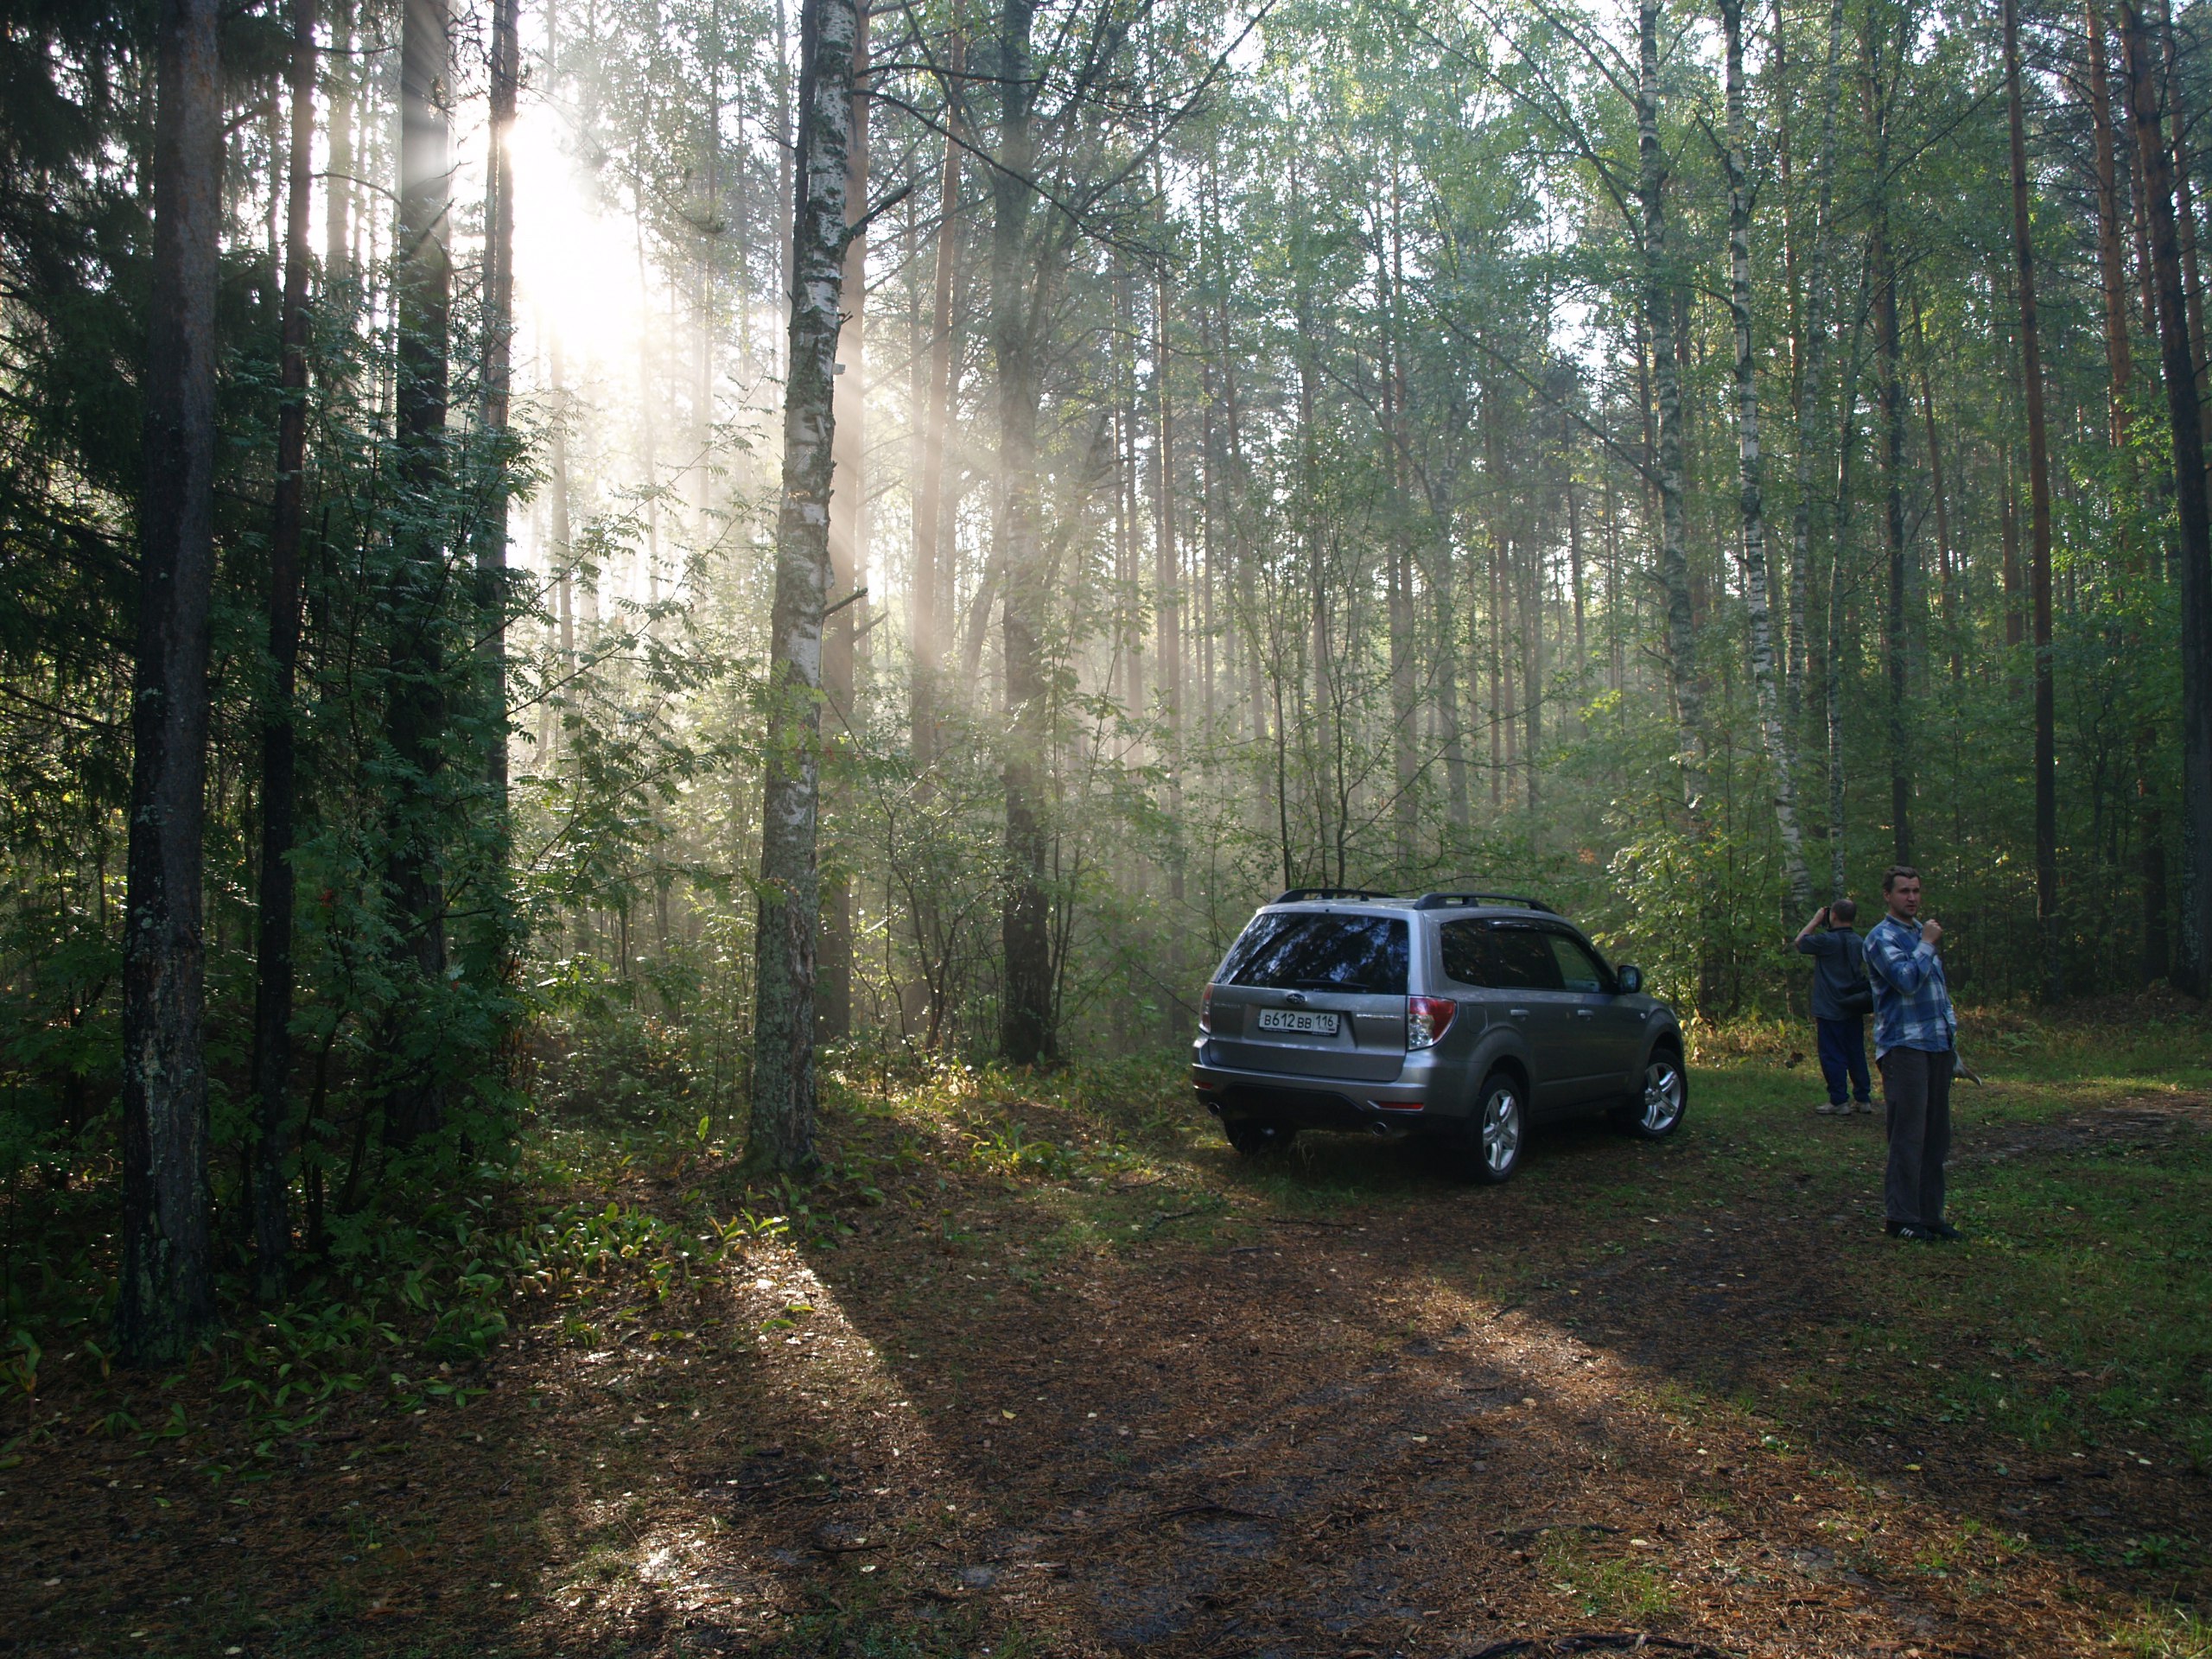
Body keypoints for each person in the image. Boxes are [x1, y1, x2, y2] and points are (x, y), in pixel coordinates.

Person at [1865, 865, 1959, 1243]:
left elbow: (1938, 994)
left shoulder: (1923, 933)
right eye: (1904, 891)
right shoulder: (1880, 937)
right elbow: (1905, 981)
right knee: (1908, 1135)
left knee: (1936, 1137)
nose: (1912, 897)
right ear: (1888, 895)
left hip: (1936, 1046)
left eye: (1916, 890)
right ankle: (1901, 1217)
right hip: (1904, 1047)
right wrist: (1927, 945)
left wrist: (1952, 1046)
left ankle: (1930, 1216)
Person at [1794, 898, 1873, 1115]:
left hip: (1830, 1008)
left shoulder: (1826, 941)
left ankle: (1839, 1101)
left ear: (1834, 916)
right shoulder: (1859, 941)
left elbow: (1800, 942)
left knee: (1832, 1054)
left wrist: (1816, 920)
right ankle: (1863, 1098)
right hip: (1854, 1005)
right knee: (1856, 1053)